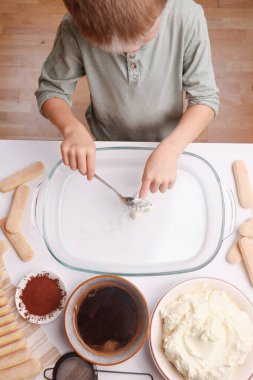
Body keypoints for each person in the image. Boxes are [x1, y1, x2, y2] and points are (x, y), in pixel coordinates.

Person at [35, 0, 219, 199]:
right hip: (108, 143)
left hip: (172, 140)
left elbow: (204, 98)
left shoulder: (187, 16)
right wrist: (71, 128)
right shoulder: (74, 28)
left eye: (144, 36)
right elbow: (51, 88)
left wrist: (173, 147)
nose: (131, 48)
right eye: (114, 45)